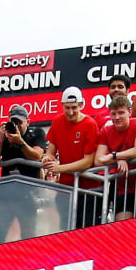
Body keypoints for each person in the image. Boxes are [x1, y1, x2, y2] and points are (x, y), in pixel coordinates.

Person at [0, 104, 47, 243]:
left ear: (27, 122)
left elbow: (37, 156)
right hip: (6, 195)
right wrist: (1, 139)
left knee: (28, 234)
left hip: (28, 193)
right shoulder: (5, 135)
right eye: (14, 122)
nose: (16, 126)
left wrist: (20, 142)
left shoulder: (36, 133)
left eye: (19, 122)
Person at [43, 87, 102, 229]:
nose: (70, 112)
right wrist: (48, 158)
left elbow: (88, 162)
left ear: (81, 105)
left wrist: (60, 168)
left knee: (87, 230)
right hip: (66, 187)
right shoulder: (57, 121)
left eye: (74, 108)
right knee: (66, 229)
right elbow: (51, 150)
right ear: (62, 106)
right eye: (67, 108)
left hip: (88, 188)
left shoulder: (90, 124)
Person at [93, 95, 136, 220]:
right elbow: (98, 160)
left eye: (121, 113)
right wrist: (119, 159)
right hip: (124, 187)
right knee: (122, 226)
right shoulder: (106, 130)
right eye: (113, 114)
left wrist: (115, 155)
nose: (117, 117)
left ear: (130, 112)